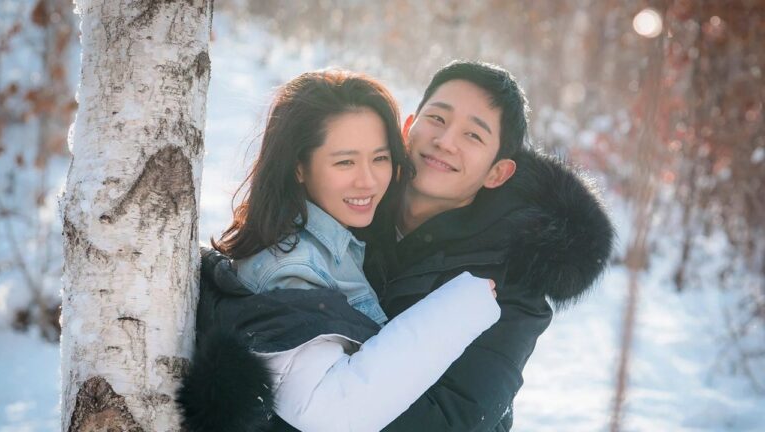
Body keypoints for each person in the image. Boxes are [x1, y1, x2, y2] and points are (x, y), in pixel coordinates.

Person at [177, 70, 502, 432]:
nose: (368, 180)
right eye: (345, 162)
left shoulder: (341, 242)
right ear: (299, 167)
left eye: (379, 158)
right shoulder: (294, 266)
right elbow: (332, 412)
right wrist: (459, 309)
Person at [357, 60, 615, 431]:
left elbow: (453, 420)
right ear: (409, 127)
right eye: (438, 119)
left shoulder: (512, 285)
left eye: (473, 136)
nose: (445, 142)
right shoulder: (350, 205)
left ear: (498, 173)